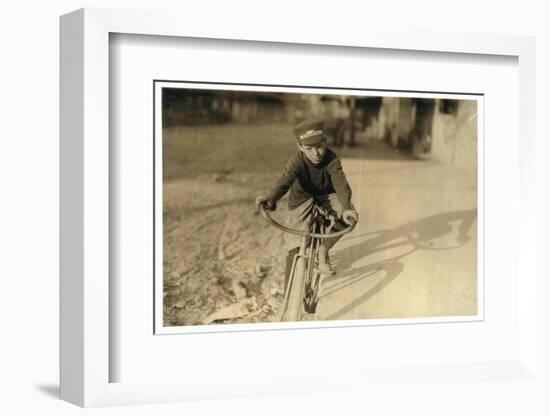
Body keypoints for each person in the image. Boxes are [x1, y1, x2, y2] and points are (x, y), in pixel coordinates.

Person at [255, 119, 359, 283]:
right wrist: (270, 199)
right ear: (300, 147)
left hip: (327, 195)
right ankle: (289, 297)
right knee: (295, 246)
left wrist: (346, 207)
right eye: (309, 148)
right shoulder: (296, 162)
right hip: (302, 199)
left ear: (325, 142)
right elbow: (284, 182)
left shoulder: (332, 159)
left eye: (319, 146)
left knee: (349, 217)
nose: (315, 153)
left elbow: (341, 183)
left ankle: (323, 250)